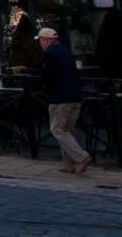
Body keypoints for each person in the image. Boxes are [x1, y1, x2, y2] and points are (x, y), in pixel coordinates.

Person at [38, 26, 91, 175]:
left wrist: (46, 91)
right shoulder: (66, 51)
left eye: (41, 40)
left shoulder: (50, 54)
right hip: (75, 96)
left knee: (57, 129)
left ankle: (81, 157)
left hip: (60, 98)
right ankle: (68, 164)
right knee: (67, 130)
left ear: (47, 40)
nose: (40, 43)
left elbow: (50, 77)